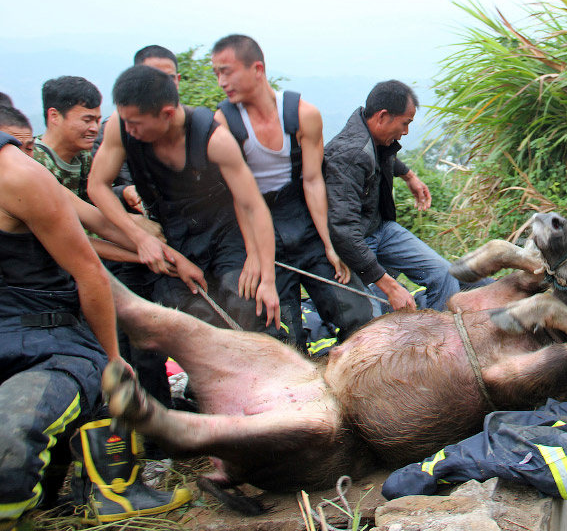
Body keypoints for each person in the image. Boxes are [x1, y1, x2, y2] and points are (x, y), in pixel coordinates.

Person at [0, 133, 191, 528]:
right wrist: (141, 243)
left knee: (11, 438)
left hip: (49, 337)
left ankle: (113, 488)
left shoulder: (20, 176)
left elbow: (88, 259)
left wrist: (112, 361)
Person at [88, 64, 281, 333]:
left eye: (135, 123)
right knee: (194, 317)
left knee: (247, 303)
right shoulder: (121, 127)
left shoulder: (214, 140)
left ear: (166, 114)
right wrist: (140, 237)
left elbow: (253, 205)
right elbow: (97, 187)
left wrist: (266, 275)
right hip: (169, 230)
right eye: (125, 120)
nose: (128, 129)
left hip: (223, 228)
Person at [211, 34, 373, 344]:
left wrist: (328, 242)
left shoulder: (302, 114)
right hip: (261, 226)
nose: (221, 81)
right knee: (283, 338)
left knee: (358, 315)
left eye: (227, 71)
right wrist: (254, 255)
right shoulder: (226, 123)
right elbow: (241, 199)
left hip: (303, 218)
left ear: (257, 69)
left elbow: (312, 181)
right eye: (216, 73)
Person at [324, 80, 459, 312]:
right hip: (354, 244)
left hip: (381, 230)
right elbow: (343, 231)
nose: (405, 132)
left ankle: (438, 339)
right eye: (404, 123)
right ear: (382, 116)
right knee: (372, 319)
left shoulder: (375, 139)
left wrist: (409, 175)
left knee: (444, 275)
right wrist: (389, 285)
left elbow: (386, 156)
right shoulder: (349, 156)